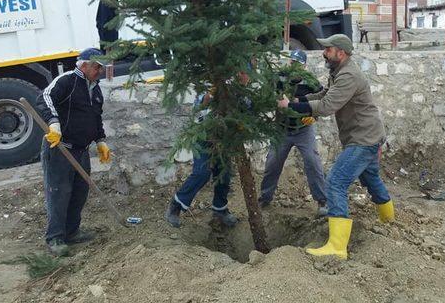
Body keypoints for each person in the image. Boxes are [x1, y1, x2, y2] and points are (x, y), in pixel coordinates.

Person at [278, 34, 394, 259]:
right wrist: (296, 102)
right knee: (371, 179)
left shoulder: (349, 75)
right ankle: (388, 221)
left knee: (335, 182)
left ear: (340, 53)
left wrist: (295, 107)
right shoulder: (339, 71)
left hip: (363, 139)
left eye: (328, 49)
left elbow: (327, 105)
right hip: (366, 136)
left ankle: (337, 247)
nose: (324, 52)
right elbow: (324, 94)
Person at [36, 48, 111, 257]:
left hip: (81, 150)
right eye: (97, 67)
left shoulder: (95, 89)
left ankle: (71, 231)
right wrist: (53, 123)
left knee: (79, 193)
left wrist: (100, 140)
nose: (100, 71)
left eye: (102, 67)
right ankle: (55, 238)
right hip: (60, 149)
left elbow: (96, 117)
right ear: (84, 65)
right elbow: (45, 98)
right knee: (59, 193)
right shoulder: (67, 81)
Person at [164, 72, 251, 229]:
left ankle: (220, 209)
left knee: (224, 173)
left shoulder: (241, 93)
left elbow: (247, 110)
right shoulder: (213, 86)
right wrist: (208, 100)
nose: (244, 76)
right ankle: (175, 206)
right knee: (202, 173)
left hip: (224, 139)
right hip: (205, 136)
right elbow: (198, 110)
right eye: (242, 73)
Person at [259, 49, 328, 216]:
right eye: (292, 62)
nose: (294, 66)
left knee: (312, 161)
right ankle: (264, 199)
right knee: (272, 163)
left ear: (304, 66)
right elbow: (268, 96)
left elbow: (322, 99)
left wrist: (314, 116)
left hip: (304, 129)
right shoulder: (280, 77)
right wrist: (274, 102)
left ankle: (322, 201)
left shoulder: (310, 81)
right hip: (282, 129)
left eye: (298, 63)